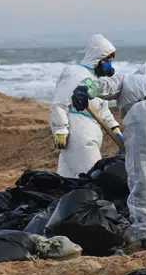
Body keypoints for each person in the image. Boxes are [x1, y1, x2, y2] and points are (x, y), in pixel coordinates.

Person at [72, 67, 146, 250]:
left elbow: (100, 86)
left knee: (140, 178)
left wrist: (82, 89)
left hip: (142, 118)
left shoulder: (126, 80)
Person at [49, 35, 123, 177]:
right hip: (79, 135)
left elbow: (102, 109)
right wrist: (60, 130)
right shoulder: (75, 73)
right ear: (97, 58)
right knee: (92, 177)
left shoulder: (96, 81)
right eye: (107, 60)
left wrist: (115, 129)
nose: (109, 65)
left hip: (91, 132)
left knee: (68, 179)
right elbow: (59, 103)